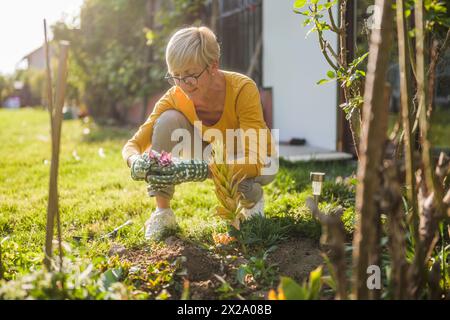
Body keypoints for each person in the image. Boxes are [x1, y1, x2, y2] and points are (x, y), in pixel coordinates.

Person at [122, 26, 277, 240]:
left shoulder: (243, 89)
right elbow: (133, 144)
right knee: (167, 119)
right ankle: (163, 212)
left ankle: (252, 199)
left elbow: (257, 159)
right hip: (212, 154)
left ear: (213, 66)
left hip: (256, 159)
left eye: (190, 76)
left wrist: (204, 170)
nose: (184, 85)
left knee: (243, 178)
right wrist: (135, 161)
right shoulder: (175, 95)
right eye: (176, 76)